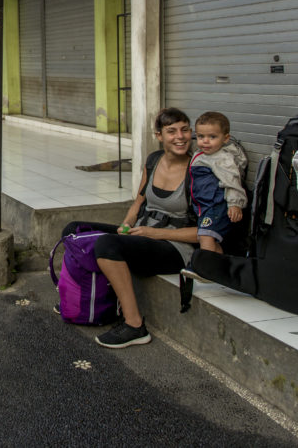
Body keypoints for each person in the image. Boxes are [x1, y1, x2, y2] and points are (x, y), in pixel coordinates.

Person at [62, 107, 198, 349]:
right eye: (172, 131)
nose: (180, 136)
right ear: (159, 136)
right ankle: (86, 298)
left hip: (175, 248)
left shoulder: (198, 171)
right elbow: (139, 201)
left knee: (106, 245)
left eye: (185, 130)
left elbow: (203, 234)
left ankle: (135, 325)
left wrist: (154, 233)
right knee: (75, 229)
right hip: (142, 235)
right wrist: (127, 224)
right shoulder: (153, 160)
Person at [189, 111, 247, 254]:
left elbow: (232, 181)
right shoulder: (201, 154)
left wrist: (235, 204)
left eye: (212, 137)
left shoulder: (222, 158)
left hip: (217, 206)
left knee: (206, 236)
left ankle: (208, 269)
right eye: (201, 136)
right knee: (207, 238)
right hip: (206, 206)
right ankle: (218, 268)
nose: (205, 141)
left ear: (225, 138)